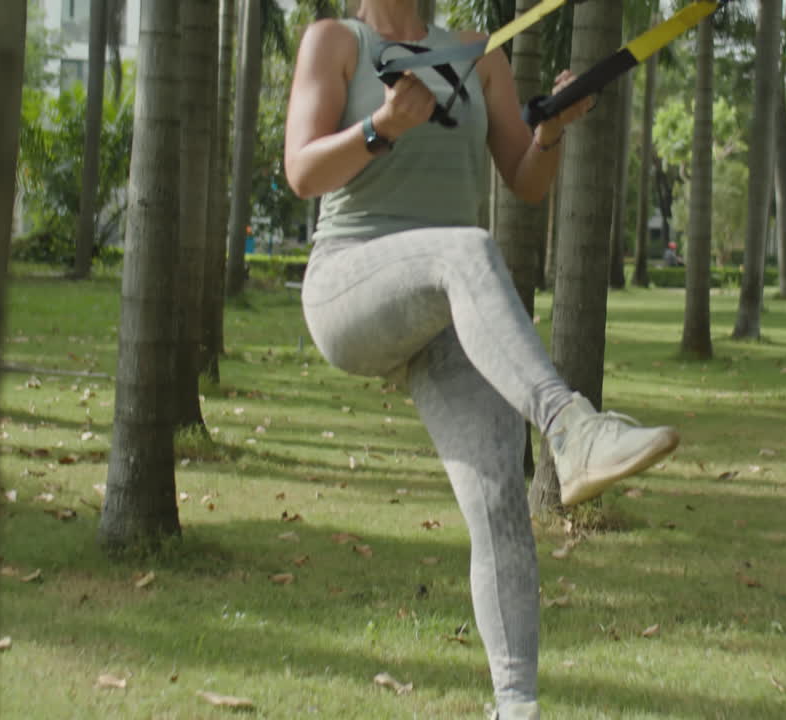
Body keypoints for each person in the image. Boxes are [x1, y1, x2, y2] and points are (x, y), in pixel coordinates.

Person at [282, 3, 680, 718]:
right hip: (350, 287)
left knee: (499, 496)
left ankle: (516, 705)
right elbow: (303, 173)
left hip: (449, 306)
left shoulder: (478, 54)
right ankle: (571, 427)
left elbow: (524, 182)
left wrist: (550, 132)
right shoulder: (339, 42)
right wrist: (382, 127)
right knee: (465, 244)